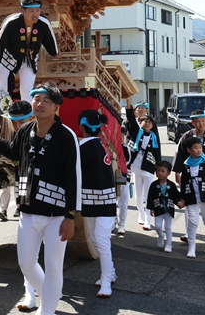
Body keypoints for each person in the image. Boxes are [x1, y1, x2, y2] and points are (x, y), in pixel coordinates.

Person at [0, 83, 80, 315]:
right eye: (37, 99)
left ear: (56, 107)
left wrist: (70, 216)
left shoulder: (66, 136)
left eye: (46, 101)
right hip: (28, 211)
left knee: (53, 267)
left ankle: (47, 310)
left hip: (56, 214)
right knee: (26, 262)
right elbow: (12, 150)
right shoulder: (25, 131)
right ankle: (49, 297)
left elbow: (73, 178)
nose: (40, 104)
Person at [77, 109, 117, 298]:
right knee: (95, 239)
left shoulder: (85, 146)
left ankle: (106, 281)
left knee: (101, 240)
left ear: (81, 126)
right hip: (101, 199)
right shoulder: (99, 143)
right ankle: (111, 272)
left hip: (96, 200)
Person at [0, 0, 58, 102]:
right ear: (22, 10)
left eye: (37, 10)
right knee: (2, 88)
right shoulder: (11, 23)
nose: (35, 14)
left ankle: (26, 112)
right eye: (31, 11)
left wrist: (55, 53)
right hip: (8, 58)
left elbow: (50, 42)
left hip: (29, 59)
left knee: (27, 91)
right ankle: (2, 112)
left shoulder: (44, 24)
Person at [172, 109, 205, 244]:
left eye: (203, 121)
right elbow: (180, 154)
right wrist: (177, 172)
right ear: (192, 123)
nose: (201, 124)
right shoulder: (187, 136)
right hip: (190, 174)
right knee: (189, 202)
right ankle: (189, 233)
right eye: (198, 121)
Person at [0, 100, 33, 222]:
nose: (17, 126)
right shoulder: (7, 131)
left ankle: (19, 206)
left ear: (32, 118)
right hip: (9, 166)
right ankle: (4, 210)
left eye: (22, 122)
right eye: (13, 122)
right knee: (4, 185)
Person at [129, 115, 161, 230]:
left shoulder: (154, 137)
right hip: (136, 165)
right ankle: (141, 213)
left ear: (152, 125)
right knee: (138, 195)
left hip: (149, 166)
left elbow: (157, 153)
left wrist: (159, 168)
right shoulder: (136, 132)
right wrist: (129, 107)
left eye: (149, 122)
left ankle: (148, 219)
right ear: (140, 123)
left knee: (148, 194)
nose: (147, 123)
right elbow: (130, 119)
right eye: (145, 121)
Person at [146, 160, 184, 253]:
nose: (160, 173)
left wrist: (179, 202)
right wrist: (151, 208)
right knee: (158, 226)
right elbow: (150, 197)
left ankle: (169, 244)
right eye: (158, 171)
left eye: (163, 171)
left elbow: (175, 195)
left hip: (168, 209)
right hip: (158, 208)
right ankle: (161, 236)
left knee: (168, 228)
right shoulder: (154, 185)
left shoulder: (171, 185)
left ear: (169, 173)